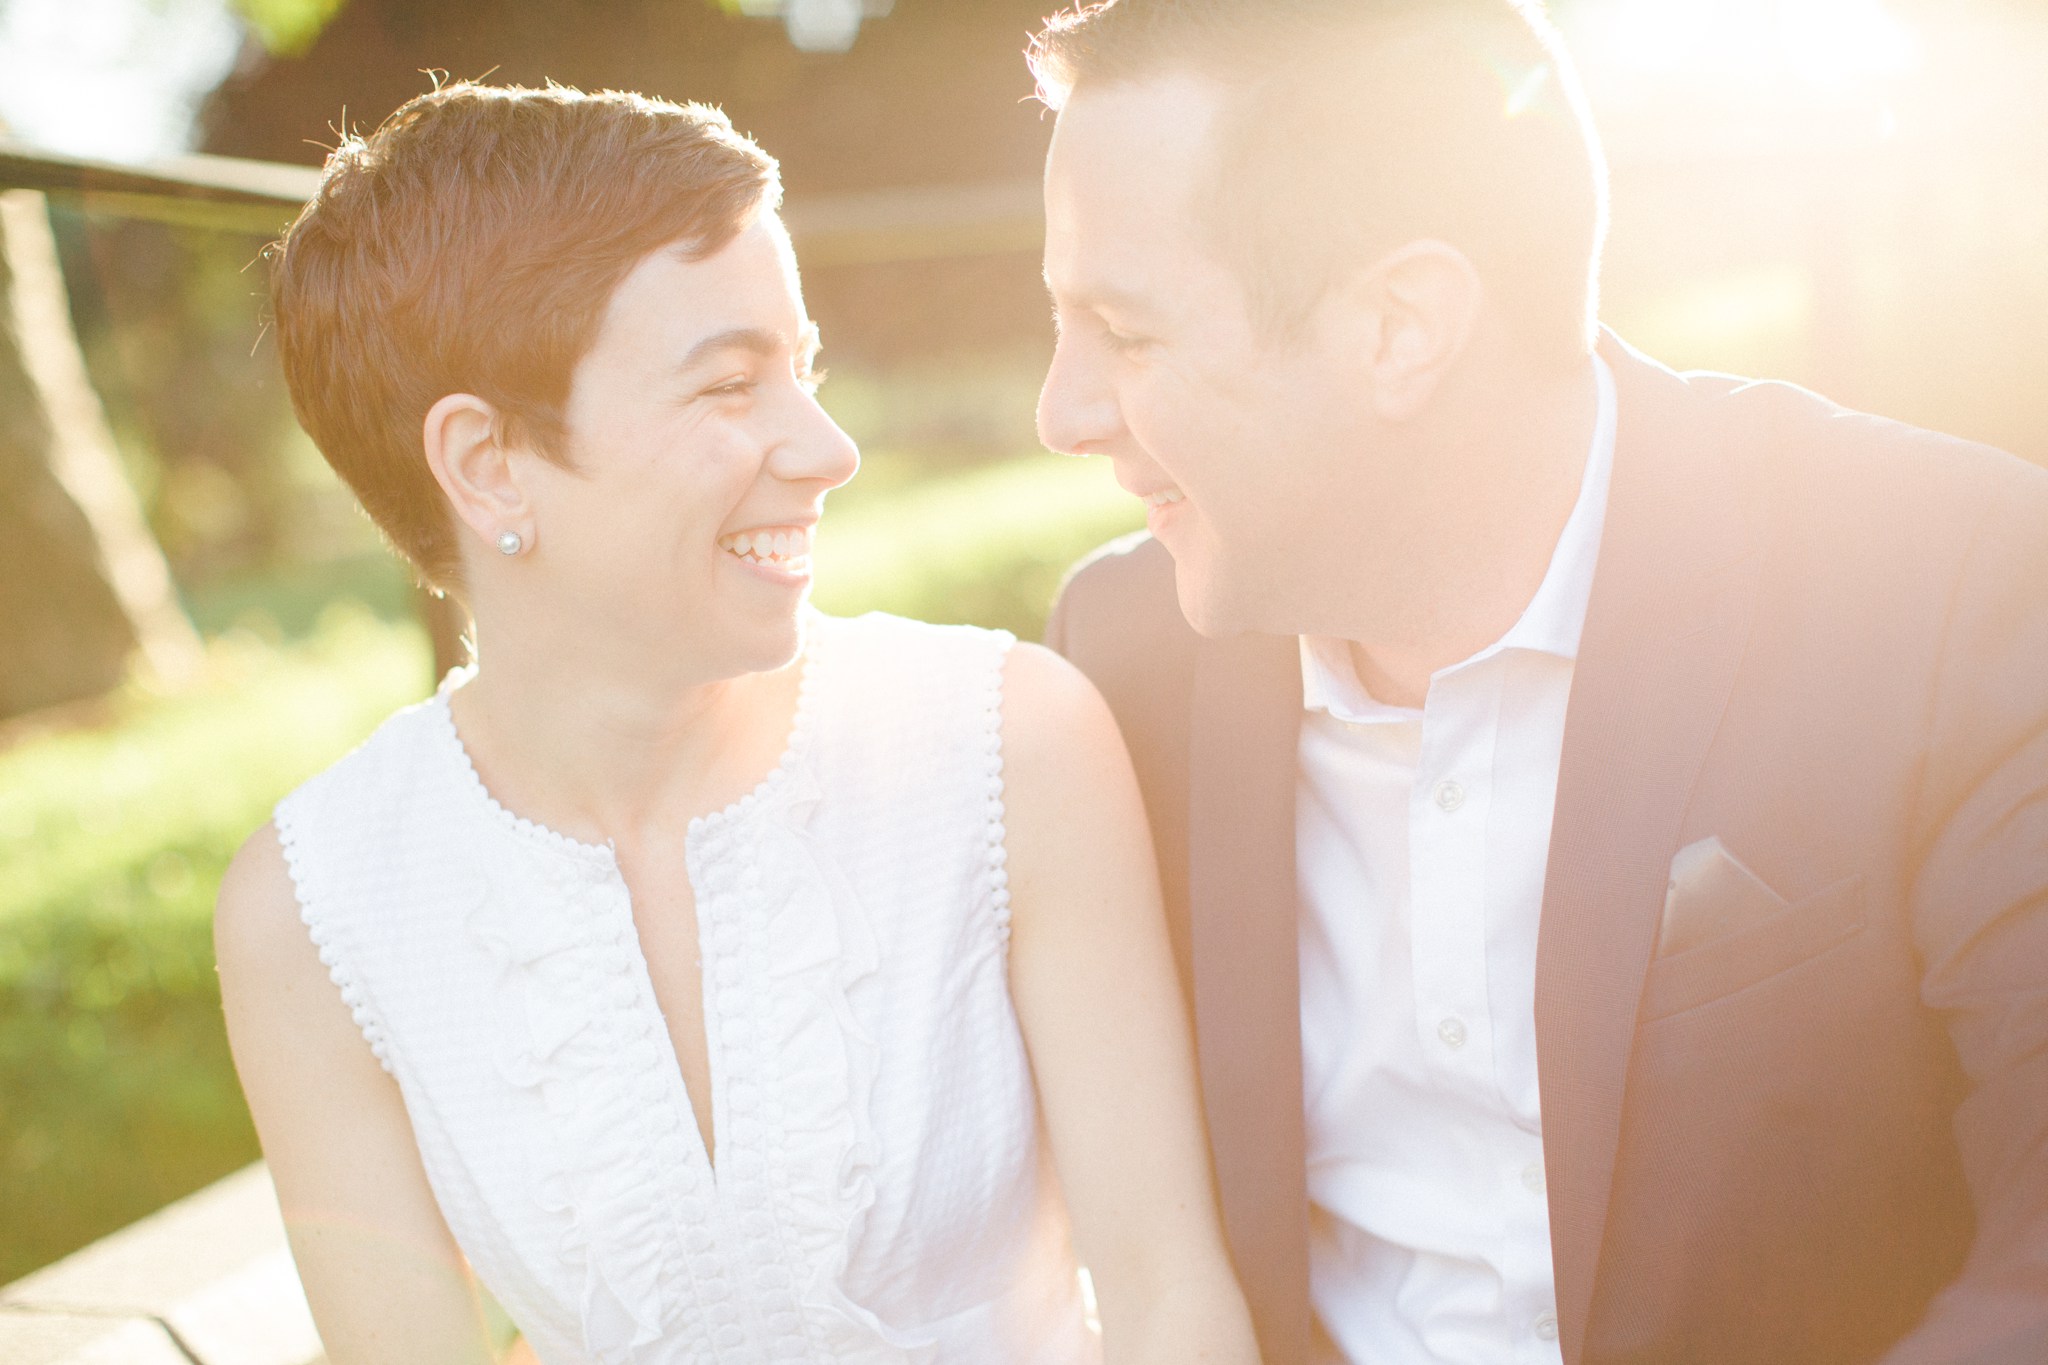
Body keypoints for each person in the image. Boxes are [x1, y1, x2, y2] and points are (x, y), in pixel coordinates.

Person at [1029, 2, 2048, 1363]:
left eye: (1125, 332)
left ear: (1402, 326)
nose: (1061, 411)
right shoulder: (1119, 660)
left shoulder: (1952, 588)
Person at [213, 81, 1259, 1365]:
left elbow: (1169, 1306)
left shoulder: (1008, 745)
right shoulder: (313, 912)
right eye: (729, 387)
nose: (825, 447)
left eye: (802, 370)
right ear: (486, 464)